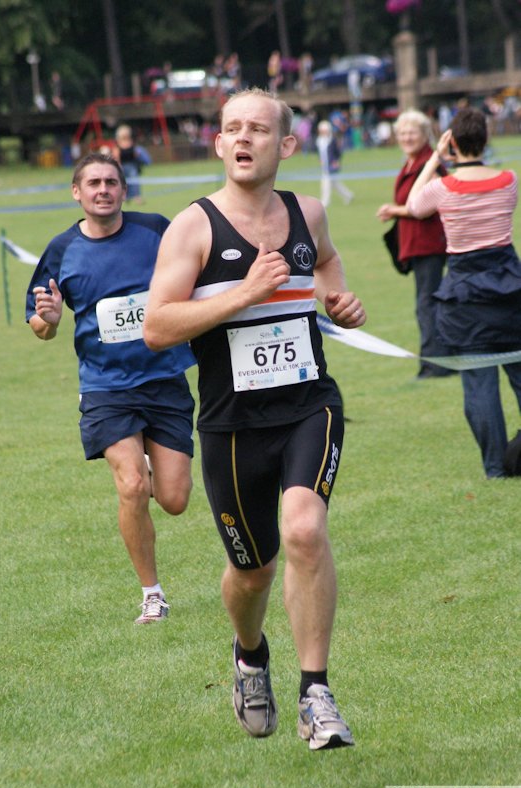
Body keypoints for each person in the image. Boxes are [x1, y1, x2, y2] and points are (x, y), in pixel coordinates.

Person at [143, 87, 366, 750]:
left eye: (258, 129)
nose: (244, 138)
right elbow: (157, 324)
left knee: (304, 530)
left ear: (285, 145)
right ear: (218, 144)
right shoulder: (195, 227)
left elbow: (324, 262)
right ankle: (249, 654)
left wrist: (336, 298)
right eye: (232, 128)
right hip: (232, 424)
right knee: (254, 570)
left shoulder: (308, 213)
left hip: (309, 404)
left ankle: (316, 694)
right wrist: (245, 293)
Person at [25, 153, 195, 622]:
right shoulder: (61, 251)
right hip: (106, 388)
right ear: (77, 193)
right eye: (93, 183)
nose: (103, 189)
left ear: (124, 189)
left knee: (175, 500)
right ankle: (152, 594)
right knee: (132, 486)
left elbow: (195, 275)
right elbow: (41, 325)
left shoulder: (156, 230)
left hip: (165, 378)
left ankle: (146, 457)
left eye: (112, 182)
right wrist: (50, 319)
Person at [407, 107, 521, 478]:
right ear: (486, 140)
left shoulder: (444, 187)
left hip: (465, 295)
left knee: (479, 384)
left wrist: (436, 158)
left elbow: (413, 205)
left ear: (452, 142)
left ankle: (494, 468)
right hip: (509, 289)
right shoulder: (509, 180)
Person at [376, 109, 452, 378]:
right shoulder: (412, 162)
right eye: (403, 133)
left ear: (425, 135)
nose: (406, 137)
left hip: (429, 242)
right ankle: (437, 361)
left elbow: (427, 204)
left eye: (412, 132)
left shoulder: (428, 163)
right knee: (427, 301)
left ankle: (436, 365)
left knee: (427, 303)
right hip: (417, 243)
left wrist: (395, 210)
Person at [316, 120, 354, 207]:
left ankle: (325, 202)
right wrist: (320, 160)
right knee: (335, 184)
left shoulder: (332, 140)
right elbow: (321, 153)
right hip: (324, 166)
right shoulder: (319, 140)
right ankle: (349, 195)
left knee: (325, 183)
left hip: (332, 166)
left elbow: (338, 152)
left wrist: (336, 161)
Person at [112, 124, 148, 205]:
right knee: (124, 182)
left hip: (132, 166)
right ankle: (125, 197)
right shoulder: (118, 145)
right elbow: (116, 156)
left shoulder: (132, 143)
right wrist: (119, 166)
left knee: (135, 182)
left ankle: (137, 197)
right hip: (123, 166)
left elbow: (135, 154)